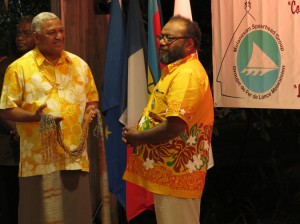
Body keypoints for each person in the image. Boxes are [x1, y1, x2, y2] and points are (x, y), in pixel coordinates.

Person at [0, 12, 99, 224]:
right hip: (38, 160)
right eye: (51, 32)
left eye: (61, 31)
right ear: (36, 38)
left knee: (76, 217)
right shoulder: (19, 68)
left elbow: (92, 99)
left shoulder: (79, 65)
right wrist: (32, 117)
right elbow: (6, 109)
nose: (59, 36)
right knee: (39, 217)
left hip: (74, 158)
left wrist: (91, 110)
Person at [122, 15, 214, 224]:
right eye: (161, 37)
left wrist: (140, 137)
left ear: (189, 44)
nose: (162, 43)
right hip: (169, 174)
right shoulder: (175, 70)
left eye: (169, 39)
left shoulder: (187, 74)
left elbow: (175, 125)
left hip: (178, 175)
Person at [0, 15, 35, 224]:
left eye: (25, 33)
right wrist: (20, 131)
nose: (19, 38)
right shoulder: (7, 67)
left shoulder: (43, 66)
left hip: (37, 150)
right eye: (18, 33)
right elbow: (2, 107)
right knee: (11, 204)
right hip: (10, 148)